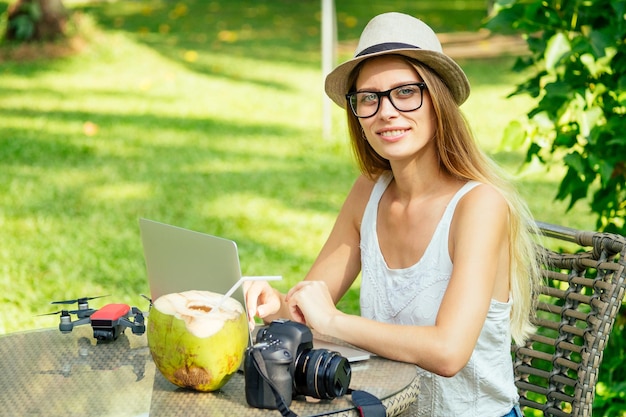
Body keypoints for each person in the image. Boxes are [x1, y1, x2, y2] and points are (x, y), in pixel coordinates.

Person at [245, 12, 541, 417]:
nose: (385, 111)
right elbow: (308, 308)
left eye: (405, 92)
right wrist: (274, 303)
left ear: (437, 101)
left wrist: (334, 321)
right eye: (369, 98)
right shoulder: (367, 193)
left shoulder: (479, 206)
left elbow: (449, 352)